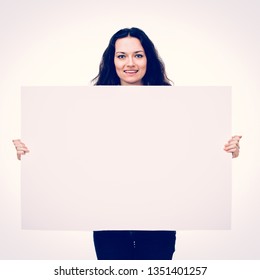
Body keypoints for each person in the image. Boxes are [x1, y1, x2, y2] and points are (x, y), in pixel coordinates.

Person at [13, 27, 242, 260]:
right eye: (121, 56)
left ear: (148, 59)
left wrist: (226, 151)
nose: (130, 63)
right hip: (107, 215)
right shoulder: (89, 105)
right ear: (112, 60)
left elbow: (190, 152)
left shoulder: (175, 104)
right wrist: (32, 152)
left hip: (160, 215)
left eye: (138, 55)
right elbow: (69, 152)